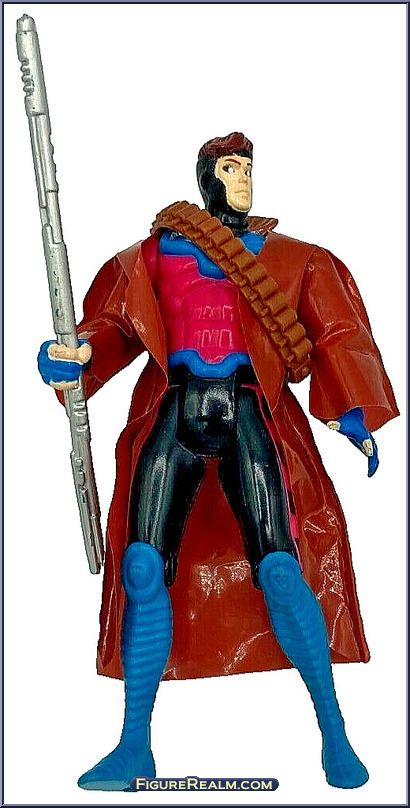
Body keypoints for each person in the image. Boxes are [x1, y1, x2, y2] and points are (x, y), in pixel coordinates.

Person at [38, 132, 398, 791]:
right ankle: (134, 745)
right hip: (175, 409)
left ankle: (335, 732)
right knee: (142, 567)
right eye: (230, 168)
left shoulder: (290, 259)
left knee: (282, 570)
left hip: (248, 410)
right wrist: (74, 355)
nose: (243, 179)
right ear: (207, 177)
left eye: (248, 167)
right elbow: (109, 327)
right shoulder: (150, 257)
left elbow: (336, 332)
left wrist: (353, 414)